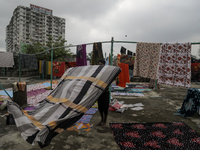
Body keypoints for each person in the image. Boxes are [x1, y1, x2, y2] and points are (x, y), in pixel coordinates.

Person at [97, 59, 110, 128]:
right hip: (99, 93)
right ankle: (102, 119)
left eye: (101, 64)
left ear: (104, 65)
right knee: (100, 108)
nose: (100, 66)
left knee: (105, 108)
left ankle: (105, 121)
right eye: (99, 64)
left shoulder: (107, 72)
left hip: (105, 93)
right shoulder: (98, 72)